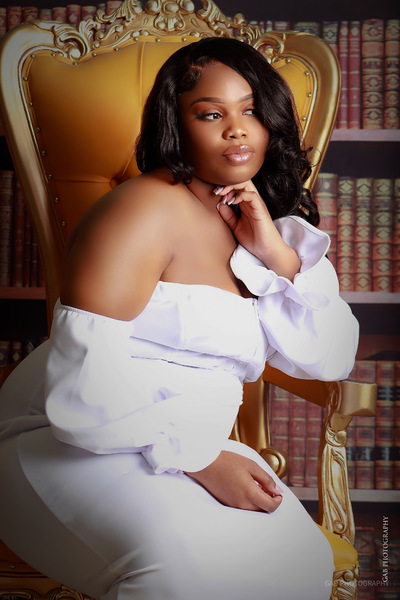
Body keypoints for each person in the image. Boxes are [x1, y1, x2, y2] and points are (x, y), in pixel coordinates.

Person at [0, 37, 358, 600]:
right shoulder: (139, 211)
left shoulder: (260, 222)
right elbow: (81, 386)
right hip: (70, 435)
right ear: (177, 124)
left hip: (183, 440)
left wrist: (277, 256)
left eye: (251, 111)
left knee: (297, 564)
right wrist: (201, 459)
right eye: (211, 114)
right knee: (182, 572)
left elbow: (329, 357)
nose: (236, 130)